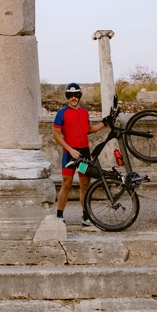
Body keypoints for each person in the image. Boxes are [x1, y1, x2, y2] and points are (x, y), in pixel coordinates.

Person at [53, 82, 105, 227]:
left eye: (76, 95)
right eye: (71, 95)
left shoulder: (84, 112)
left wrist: (104, 124)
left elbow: (89, 129)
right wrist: (70, 149)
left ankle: (85, 216)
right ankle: (59, 216)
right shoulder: (61, 113)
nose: (73, 97)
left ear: (79, 96)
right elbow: (56, 135)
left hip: (83, 155)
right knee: (66, 183)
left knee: (84, 184)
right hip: (70, 155)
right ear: (67, 96)